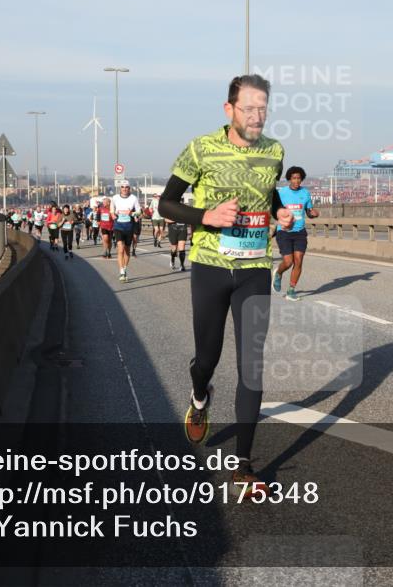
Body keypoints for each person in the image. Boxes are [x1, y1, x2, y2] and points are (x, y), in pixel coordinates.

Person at [158, 74, 293, 495]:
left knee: (251, 365)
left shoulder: (274, 150)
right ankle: (200, 397)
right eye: (249, 108)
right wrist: (206, 217)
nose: (257, 116)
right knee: (207, 358)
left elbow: (267, 194)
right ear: (229, 109)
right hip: (211, 267)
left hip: (254, 268)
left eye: (263, 109)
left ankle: (244, 467)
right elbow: (166, 203)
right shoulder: (201, 148)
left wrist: (280, 213)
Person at [272, 166, 319, 301]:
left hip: (300, 232)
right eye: (294, 178)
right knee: (288, 262)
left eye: (299, 178)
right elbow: (275, 210)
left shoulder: (305, 193)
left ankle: (291, 290)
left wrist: (313, 213)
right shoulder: (281, 193)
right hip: (284, 231)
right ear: (289, 179)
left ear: (302, 179)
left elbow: (309, 212)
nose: (296, 181)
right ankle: (279, 273)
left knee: (298, 261)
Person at [111, 181, 141, 281]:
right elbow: (112, 210)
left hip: (129, 227)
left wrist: (131, 213)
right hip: (118, 226)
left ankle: (124, 268)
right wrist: (113, 214)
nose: (124, 189)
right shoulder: (115, 198)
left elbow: (139, 212)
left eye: (126, 187)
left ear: (129, 188)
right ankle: (121, 272)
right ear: (120, 188)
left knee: (127, 251)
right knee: (120, 249)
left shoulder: (134, 198)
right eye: (122, 187)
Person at [167, 202, 189, 271]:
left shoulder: (185, 209)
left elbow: (189, 219)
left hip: (183, 229)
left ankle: (182, 265)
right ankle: (172, 259)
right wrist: (176, 218)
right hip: (173, 230)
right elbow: (166, 219)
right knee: (174, 248)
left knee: (182, 247)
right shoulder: (170, 209)